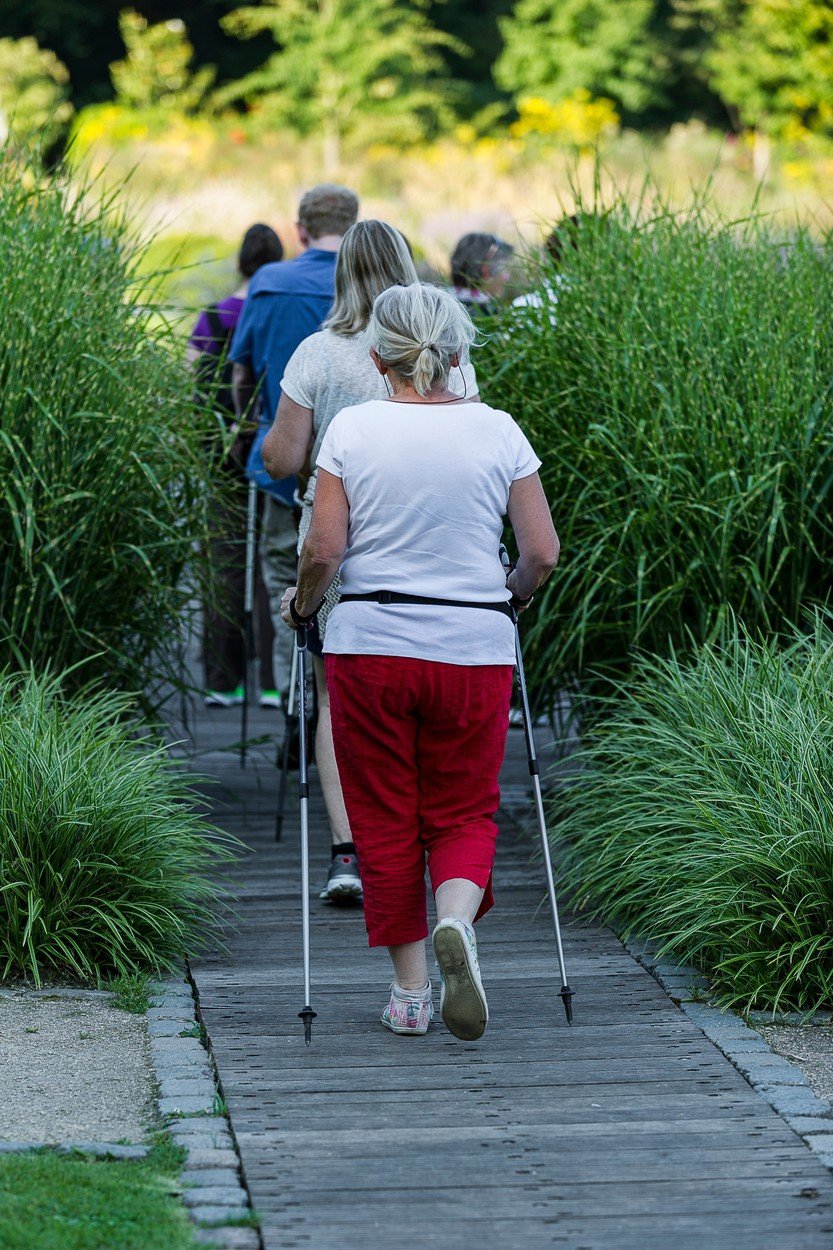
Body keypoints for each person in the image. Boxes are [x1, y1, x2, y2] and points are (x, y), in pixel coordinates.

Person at [279, 283, 559, 1041]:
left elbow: (325, 550)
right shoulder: (497, 429)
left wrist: (303, 606)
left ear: (377, 359)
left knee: (383, 816)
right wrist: (512, 596)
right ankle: (456, 923)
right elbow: (540, 551)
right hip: (472, 645)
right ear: (458, 353)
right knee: (465, 807)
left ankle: (409, 995)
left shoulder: (355, 431)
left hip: (371, 645)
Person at [262, 220, 480, 904]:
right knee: (422, 687)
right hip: (433, 537)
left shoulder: (317, 354)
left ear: (341, 272)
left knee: (338, 695)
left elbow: (284, 460)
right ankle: (422, 842)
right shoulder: (448, 354)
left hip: (339, 541)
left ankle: (348, 851)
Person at [230, 184, 359, 707]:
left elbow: (242, 371)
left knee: (286, 577)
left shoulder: (268, 282)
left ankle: (294, 702)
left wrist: (246, 435)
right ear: (355, 227)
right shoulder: (376, 287)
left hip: (285, 464)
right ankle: (339, 698)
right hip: (363, 469)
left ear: (300, 230)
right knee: (349, 577)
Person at [187, 223, 282, 707]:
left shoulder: (213, 315)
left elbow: (192, 378)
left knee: (223, 565)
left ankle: (222, 682)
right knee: (271, 563)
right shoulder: (275, 312)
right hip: (269, 450)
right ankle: (273, 678)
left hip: (219, 455)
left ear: (240, 261)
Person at [450, 232, 515, 315]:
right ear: (485, 270)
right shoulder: (491, 319)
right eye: (503, 269)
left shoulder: (437, 305)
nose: (507, 277)